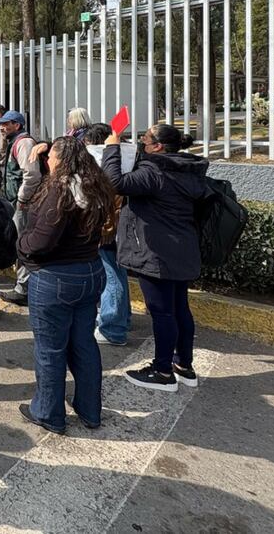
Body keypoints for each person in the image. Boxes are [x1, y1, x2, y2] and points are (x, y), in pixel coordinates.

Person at [17, 137, 114, 433]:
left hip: (56, 279)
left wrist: (21, 245)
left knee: (50, 350)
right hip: (90, 272)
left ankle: (48, 413)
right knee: (84, 343)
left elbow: (42, 241)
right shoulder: (95, 186)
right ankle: (89, 409)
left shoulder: (59, 191)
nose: (48, 162)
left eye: (51, 158)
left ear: (62, 161)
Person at [102, 123, 208, 392]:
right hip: (182, 248)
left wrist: (112, 148)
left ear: (158, 147)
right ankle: (183, 365)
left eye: (145, 140)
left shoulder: (155, 170)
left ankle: (162, 371)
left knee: (162, 312)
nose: (141, 143)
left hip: (157, 252)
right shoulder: (186, 168)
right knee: (179, 308)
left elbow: (113, 183)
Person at [80, 123, 132, 346]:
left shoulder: (105, 163)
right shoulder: (127, 159)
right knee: (118, 274)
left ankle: (113, 329)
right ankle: (123, 318)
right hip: (119, 229)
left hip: (108, 230)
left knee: (111, 275)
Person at [0, 110, 42, 308]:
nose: (3, 127)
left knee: (22, 243)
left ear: (18, 125)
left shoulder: (23, 143)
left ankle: (24, 288)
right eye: (2, 123)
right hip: (15, 201)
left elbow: (31, 175)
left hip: (22, 203)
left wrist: (22, 198)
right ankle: (23, 285)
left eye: (7, 123)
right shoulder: (16, 142)